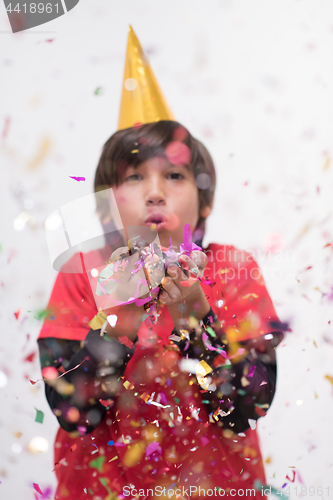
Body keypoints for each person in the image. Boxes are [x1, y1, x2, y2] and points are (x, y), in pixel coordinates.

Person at [38, 27, 284, 500]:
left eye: (174, 175)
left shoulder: (232, 269)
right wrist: (119, 320)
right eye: (134, 177)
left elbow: (247, 408)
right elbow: (74, 414)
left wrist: (196, 316)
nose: (154, 191)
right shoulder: (80, 273)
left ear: (204, 202)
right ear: (108, 207)